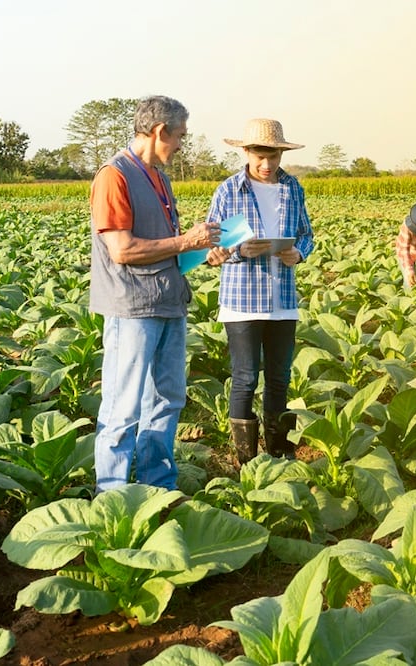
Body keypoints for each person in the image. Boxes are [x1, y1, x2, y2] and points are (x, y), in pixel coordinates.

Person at [89, 95, 221, 492]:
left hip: (168, 302)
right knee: (122, 406)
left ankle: (157, 489)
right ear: (160, 131)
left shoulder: (159, 178)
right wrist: (185, 242)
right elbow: (123, 250)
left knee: (166, 399)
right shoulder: (114, 176)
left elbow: (167, 245)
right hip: (132, 308)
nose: (181, 144)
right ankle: (111, 495)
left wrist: (203, 248)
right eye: (179, 136)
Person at [205, 118, 314, 463]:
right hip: (242, 300)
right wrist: (238, 251)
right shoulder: (228, 190)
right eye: (260, 157)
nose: (267, 165)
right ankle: (246, 460)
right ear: (246, 152)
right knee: (246, 378)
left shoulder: (292, 188)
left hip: (282, 299)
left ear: (281, 154)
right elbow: (211, 245)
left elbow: (306, 234)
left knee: (280, 378)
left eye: (274, 157)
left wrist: (298, 253)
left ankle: (279, 452)